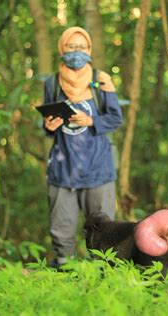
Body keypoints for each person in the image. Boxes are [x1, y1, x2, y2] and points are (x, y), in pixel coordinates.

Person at [42, 26, 122, 267]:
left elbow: (116, 118)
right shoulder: (52, 83)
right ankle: (64, 275)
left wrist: (91, 120)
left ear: (89, 49)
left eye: (82, 47)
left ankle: (101, 278)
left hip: (98, 168)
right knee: (61, 230)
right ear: (62, 49)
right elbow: (47, 125)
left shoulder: (101, 80)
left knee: (103, 229)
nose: (77, 52)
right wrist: (49, 125)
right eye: (71, 46)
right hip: (63, 168)